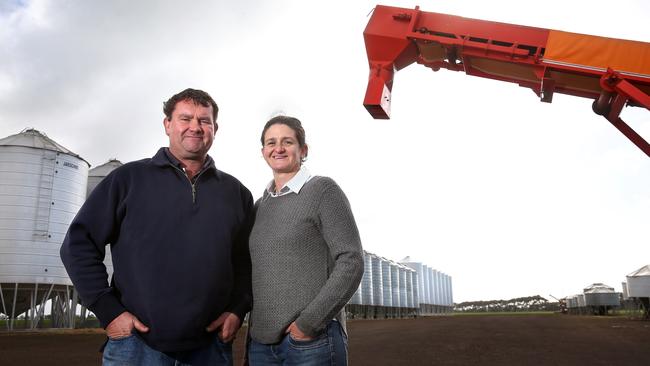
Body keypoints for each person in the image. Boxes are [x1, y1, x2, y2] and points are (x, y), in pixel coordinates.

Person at [60, 88, 254, 365]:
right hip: (136, 347)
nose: (195, 128)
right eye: (185, 119)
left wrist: (237, 310)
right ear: (167, 125)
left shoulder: (236, 193)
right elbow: (78, 244)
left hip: (210, 349)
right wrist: (109, 310)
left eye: (204, 121)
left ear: (215, 128)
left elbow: (245, 263)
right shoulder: (127, 180)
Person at [247, 115, 364, 365]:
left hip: (310, 343)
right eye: (271, 143)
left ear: (303, 149)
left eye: (287, 141)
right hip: (262, 347)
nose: (278, 148)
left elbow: (351, 261)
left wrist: (308, 324)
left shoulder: (322, 190)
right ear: (263, 151)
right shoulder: (259, 206)